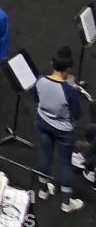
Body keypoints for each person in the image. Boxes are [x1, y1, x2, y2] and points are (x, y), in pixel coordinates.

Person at [34, 49, 86, 211]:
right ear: (68, 69)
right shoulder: (70, 91)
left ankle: (43, 190)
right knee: (65, 163)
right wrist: (71, 87)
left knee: (45, 154)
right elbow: (77, 114)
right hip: (63, 130)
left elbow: (37, 98)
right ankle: (66, 202)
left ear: (52, 64)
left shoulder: (40, 80)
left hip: (43, 123)